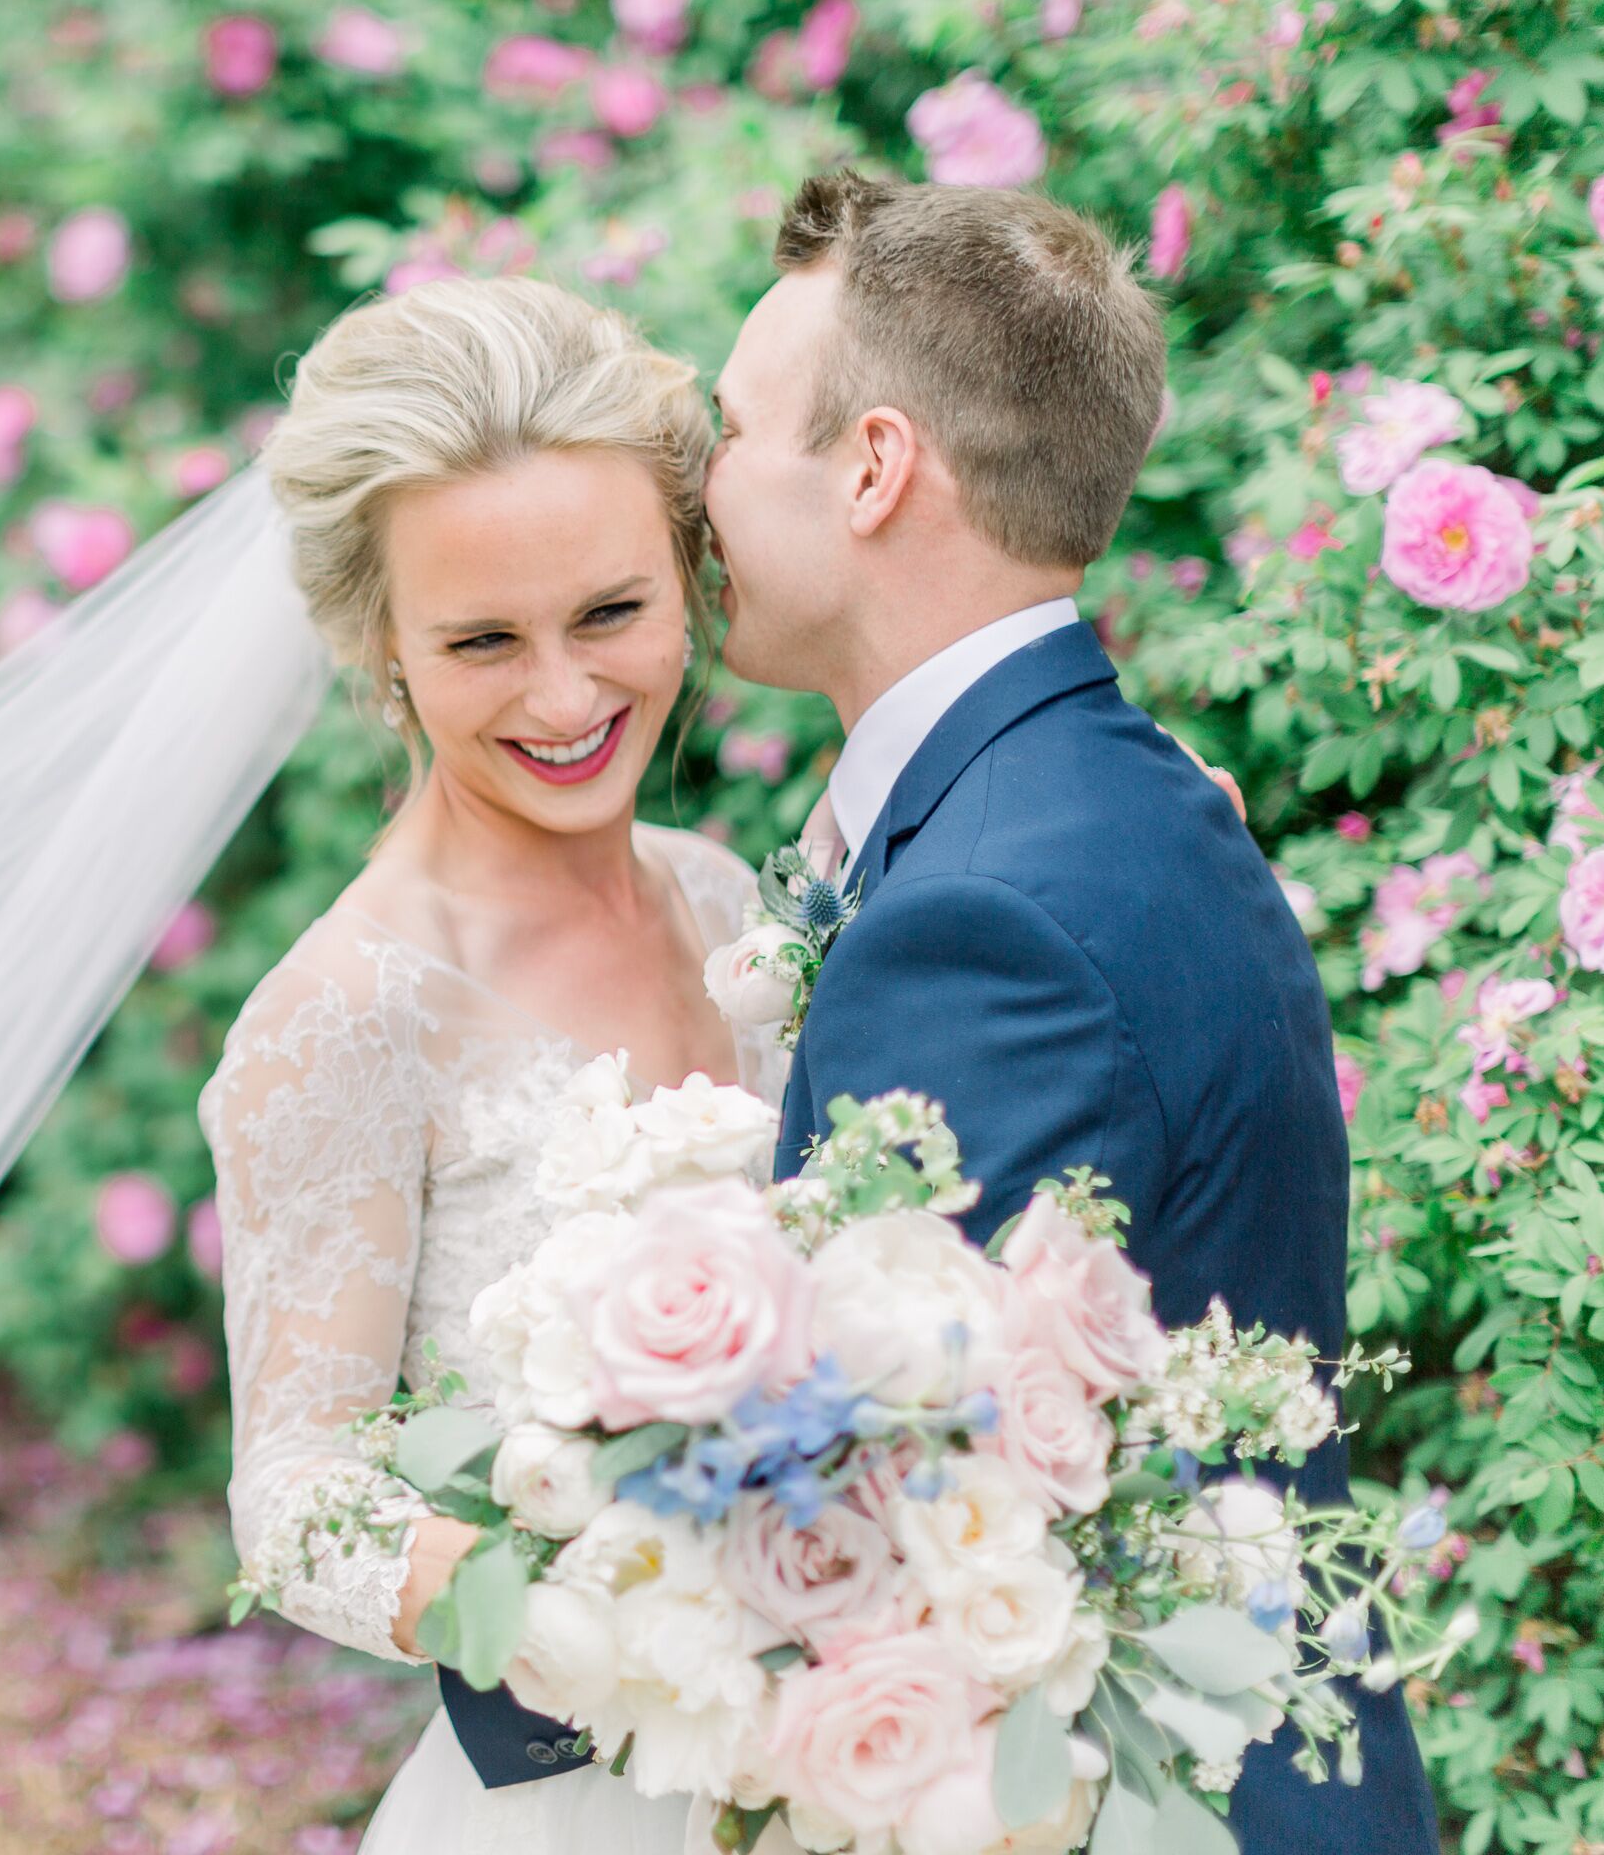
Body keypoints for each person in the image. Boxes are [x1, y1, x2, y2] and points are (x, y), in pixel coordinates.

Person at [708, 173, 1434, 1851]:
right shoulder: (1097, 798)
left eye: (731, 431)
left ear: (875, 465)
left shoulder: (989, 917)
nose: (699, 485)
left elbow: (896, 1510)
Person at [207, 276, 776, 1854]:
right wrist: (554, 1605)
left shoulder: (730, 901)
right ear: (380, 651)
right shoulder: (349, 1013)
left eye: (611, 612)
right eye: (482, 642)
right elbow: (297, 1491)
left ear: (689, 573)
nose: (568, 696)